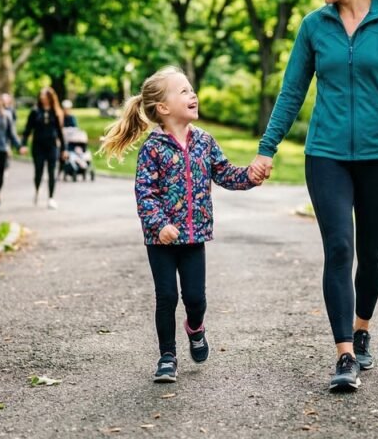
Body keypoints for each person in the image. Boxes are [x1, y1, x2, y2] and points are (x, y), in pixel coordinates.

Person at [249, 0, 378, 392]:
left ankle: (363, 327)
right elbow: (291, 93)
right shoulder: (313, 26)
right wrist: (267, 149)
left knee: (370, 256)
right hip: (325, 154)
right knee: (339, 250)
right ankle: (344, 353)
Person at [99, 66, 262, 384]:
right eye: (184, 91)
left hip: (193, 236)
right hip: (160, 240)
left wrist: (249, 177)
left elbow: (225, 172)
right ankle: (167, 357)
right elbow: (144, 193)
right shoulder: (153, 148)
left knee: (196, 298)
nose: (193, 94)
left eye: (191, 89)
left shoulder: (204, 142)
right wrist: (159, 224)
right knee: (166, 297)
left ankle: (196, 329)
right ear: (163, 107)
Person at [22, 87, 68, 209]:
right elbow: (27, 130)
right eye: (41, 96)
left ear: (50, 98)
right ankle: (37, 189)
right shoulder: (35, 112)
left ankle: (51, 198)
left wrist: (64, 148)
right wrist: (23, 144)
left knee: (52, 172)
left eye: (45, 96)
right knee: (39, 171)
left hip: (52, 146)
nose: (43, 98)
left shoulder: (55, 112)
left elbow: (60, 132)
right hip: (38, 146)